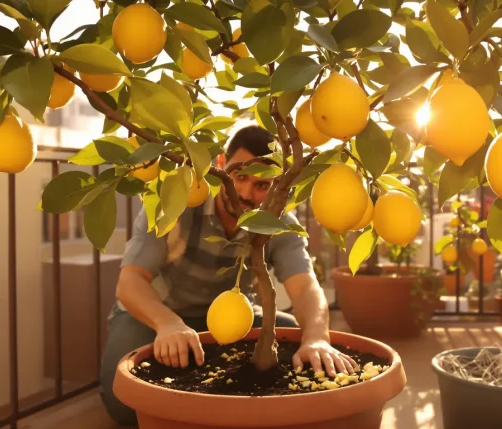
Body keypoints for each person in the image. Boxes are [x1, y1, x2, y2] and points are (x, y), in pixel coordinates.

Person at [99, 125, 357, 426]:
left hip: (231, 320)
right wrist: (167, 323)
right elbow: (129, 283)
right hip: (157, 315)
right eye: (240, 176)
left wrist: (316, 339)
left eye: (262, 185)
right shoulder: (177, 200)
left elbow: (305, 288)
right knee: (124, 406)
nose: (246, 193)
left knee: (291, 336)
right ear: (221, 164)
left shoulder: (276, 221)